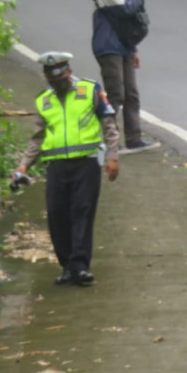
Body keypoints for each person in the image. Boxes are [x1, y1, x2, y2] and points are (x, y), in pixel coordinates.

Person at [13, 52, 120, 286]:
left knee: (82, 212)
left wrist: (113, 155)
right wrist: (24, 165)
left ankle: (80, 267)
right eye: (51, 80)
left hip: (86, 162)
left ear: (68, 72)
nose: (56, 83)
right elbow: (38, 138)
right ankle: (67, 267)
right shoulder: (44, 100)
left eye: (59, 77)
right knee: (57, 215)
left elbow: (109, 124)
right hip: (56, 166)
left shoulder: (89, 90)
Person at [90, 0, 157, 152]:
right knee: (116, 93)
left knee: (132, 94)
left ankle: (134, 139)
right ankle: (112, 142)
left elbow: (130, 19)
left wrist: (134, 49)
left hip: (125, 46)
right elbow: (126, 9)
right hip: (108, 46)